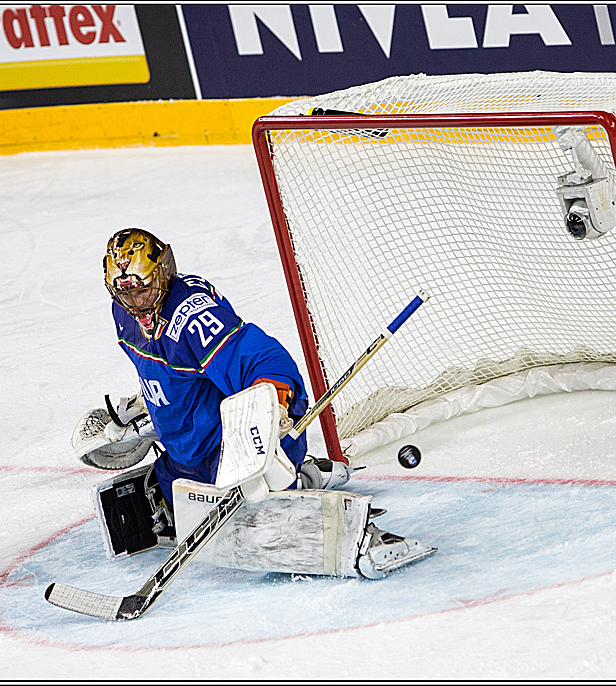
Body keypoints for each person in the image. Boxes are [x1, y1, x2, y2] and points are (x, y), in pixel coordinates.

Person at [70, 227, 434, 578]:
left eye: (145, 290)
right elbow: (167, 370)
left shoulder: (194, 318)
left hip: (238, 447)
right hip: (187, 456)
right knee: (175, 495)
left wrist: (274, 406)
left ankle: (310, 490)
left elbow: (264, 359)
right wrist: (148, 408)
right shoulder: (124, 314)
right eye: (127, 294)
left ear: (163, 272)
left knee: (263, 508)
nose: (137, 303)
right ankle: (308, 474)